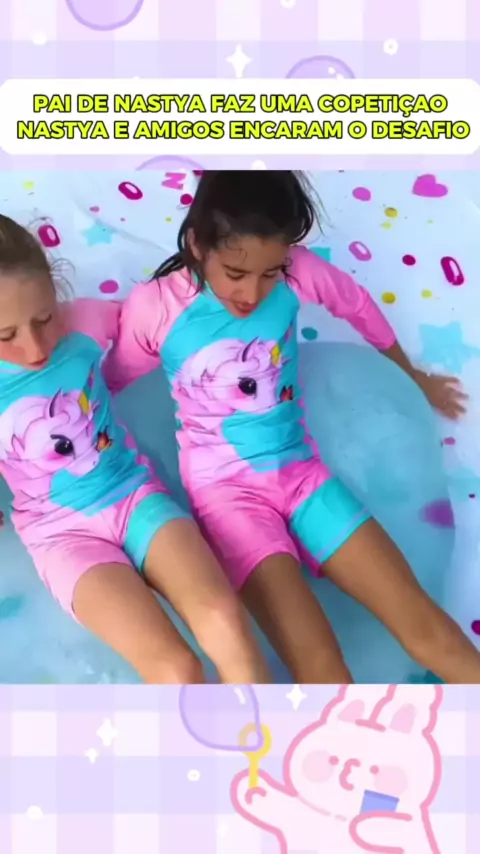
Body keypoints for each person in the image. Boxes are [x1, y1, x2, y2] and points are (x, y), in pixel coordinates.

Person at [104, 169, 479, 684]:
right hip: (227, 500)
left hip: (302, 476)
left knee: (427, 627)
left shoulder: (299, 271)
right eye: (235, 272)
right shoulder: (156, 308)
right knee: (320, 666)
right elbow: (107, 386)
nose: (253, 292)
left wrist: (411, 375)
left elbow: (356, 305)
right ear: (196, 244)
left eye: (270, 273)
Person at [0, 213, 270, 684]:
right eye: (6, 336)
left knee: (224, 619)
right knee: (176, 666)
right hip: (62, 535)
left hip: (135, 496)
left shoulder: (84, 322)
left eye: (44, 318)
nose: (36, 346)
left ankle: (273, 728)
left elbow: (157, 315)